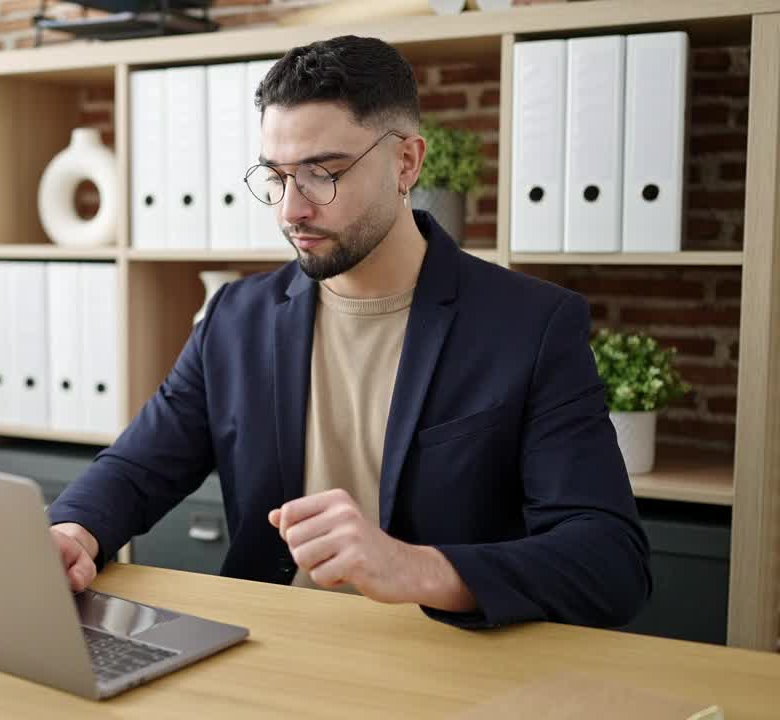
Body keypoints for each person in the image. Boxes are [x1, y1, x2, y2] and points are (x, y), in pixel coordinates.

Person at [47, 34, 651, 628]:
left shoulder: (532, 325)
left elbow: (609, 562)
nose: (291, 210)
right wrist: (74, 531)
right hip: (270, 652)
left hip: (447, 665)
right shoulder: (235, 317)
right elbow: (136, 468)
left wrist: (416, 568)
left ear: (406, 162)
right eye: (277, 176)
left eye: (321, 173)